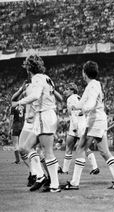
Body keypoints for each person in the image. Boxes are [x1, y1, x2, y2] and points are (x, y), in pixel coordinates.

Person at [61, 61, 114, 190]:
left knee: (80, 149)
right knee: (104, 151)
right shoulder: (93, 85)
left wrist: (84, 109)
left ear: (84, 73)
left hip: (94, 120)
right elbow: (83, 101)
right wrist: (76, 106)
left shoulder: (93, 85)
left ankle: (74, 183)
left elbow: (89, 103)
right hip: (99, 120)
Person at [12, 54, 60, 192]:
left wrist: (19, 103)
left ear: (29, 68)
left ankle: (54, 185)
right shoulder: (47, 78)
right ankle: (40, 176)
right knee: (26, 147)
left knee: (48, 152)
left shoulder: (37, 78)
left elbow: (36, 96)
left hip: (44, 115)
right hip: (45, 115)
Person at [60, 83, 99, 175]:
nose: (65, 91)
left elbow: (72, 114)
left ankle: (65, 170)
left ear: (72, 90)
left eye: (67, 89)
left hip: (76, 125)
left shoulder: (70, 98)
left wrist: (75, 127)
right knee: (82, 147)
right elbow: (86, 109)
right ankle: (95, 167)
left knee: (71, 147)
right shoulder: (79, 97)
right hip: (82, 124)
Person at [9, 81, 28, 164]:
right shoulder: (24, 106)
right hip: (23, 126)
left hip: (15, 125)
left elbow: (11, 118)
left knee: (16, 144)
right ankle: (26, 157)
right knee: (22, 144)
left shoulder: (13, 106)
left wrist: (10, 128)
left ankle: (17, 160)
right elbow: (26, 117)